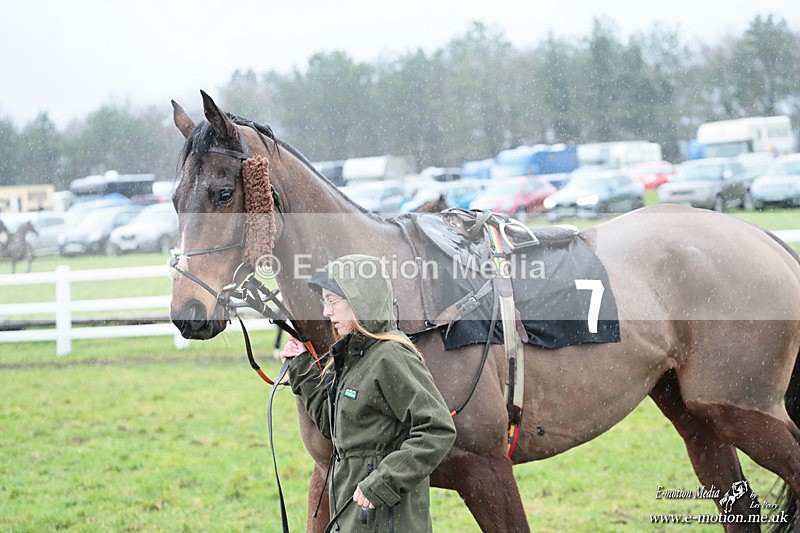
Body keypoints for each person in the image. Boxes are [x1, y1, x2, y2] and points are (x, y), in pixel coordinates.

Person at [280, 254, 457, 532]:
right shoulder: (355, 357)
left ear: (359, 300)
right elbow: (334, 425)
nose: (326, 312)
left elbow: (437, 429)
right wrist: (301, 366)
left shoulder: (391, 357)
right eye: (325, 302)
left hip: (386, 519)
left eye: (332, 301)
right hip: (354, 516)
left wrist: (384, 481)